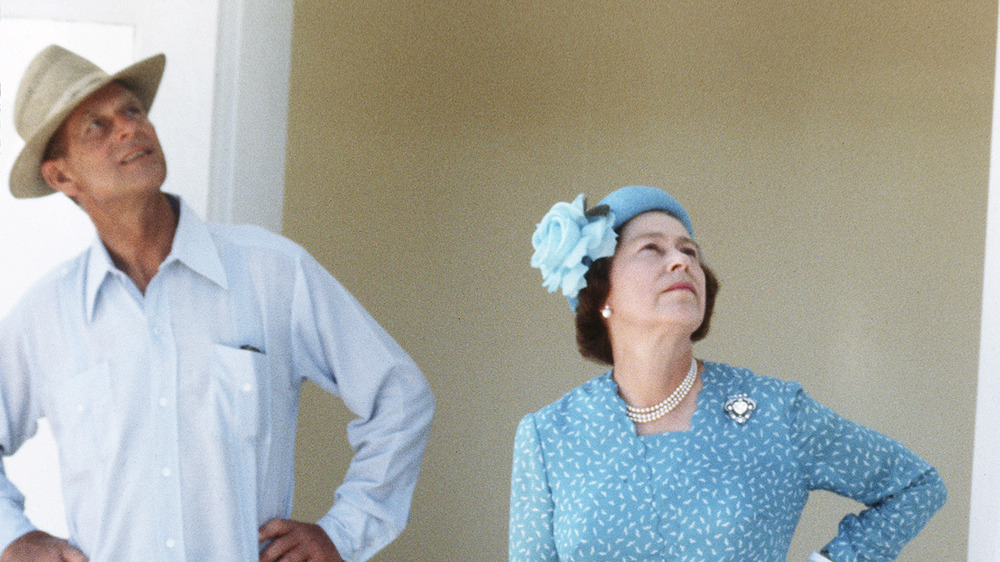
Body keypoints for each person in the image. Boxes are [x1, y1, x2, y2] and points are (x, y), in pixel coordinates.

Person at [0, 45, 434, 561]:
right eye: (95, 125)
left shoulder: (273, 271)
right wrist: (13, 538)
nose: (128, 129)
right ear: (62, 177)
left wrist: (344, 531)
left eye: (132, 111)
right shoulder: (44, 318)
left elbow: (400, 397)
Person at [510, 185, 946, 561]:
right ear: (602, 290)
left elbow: (915, 485)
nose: (681, 261)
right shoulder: (549, 438)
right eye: (652, 248)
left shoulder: (776, 412)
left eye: (689, 251)